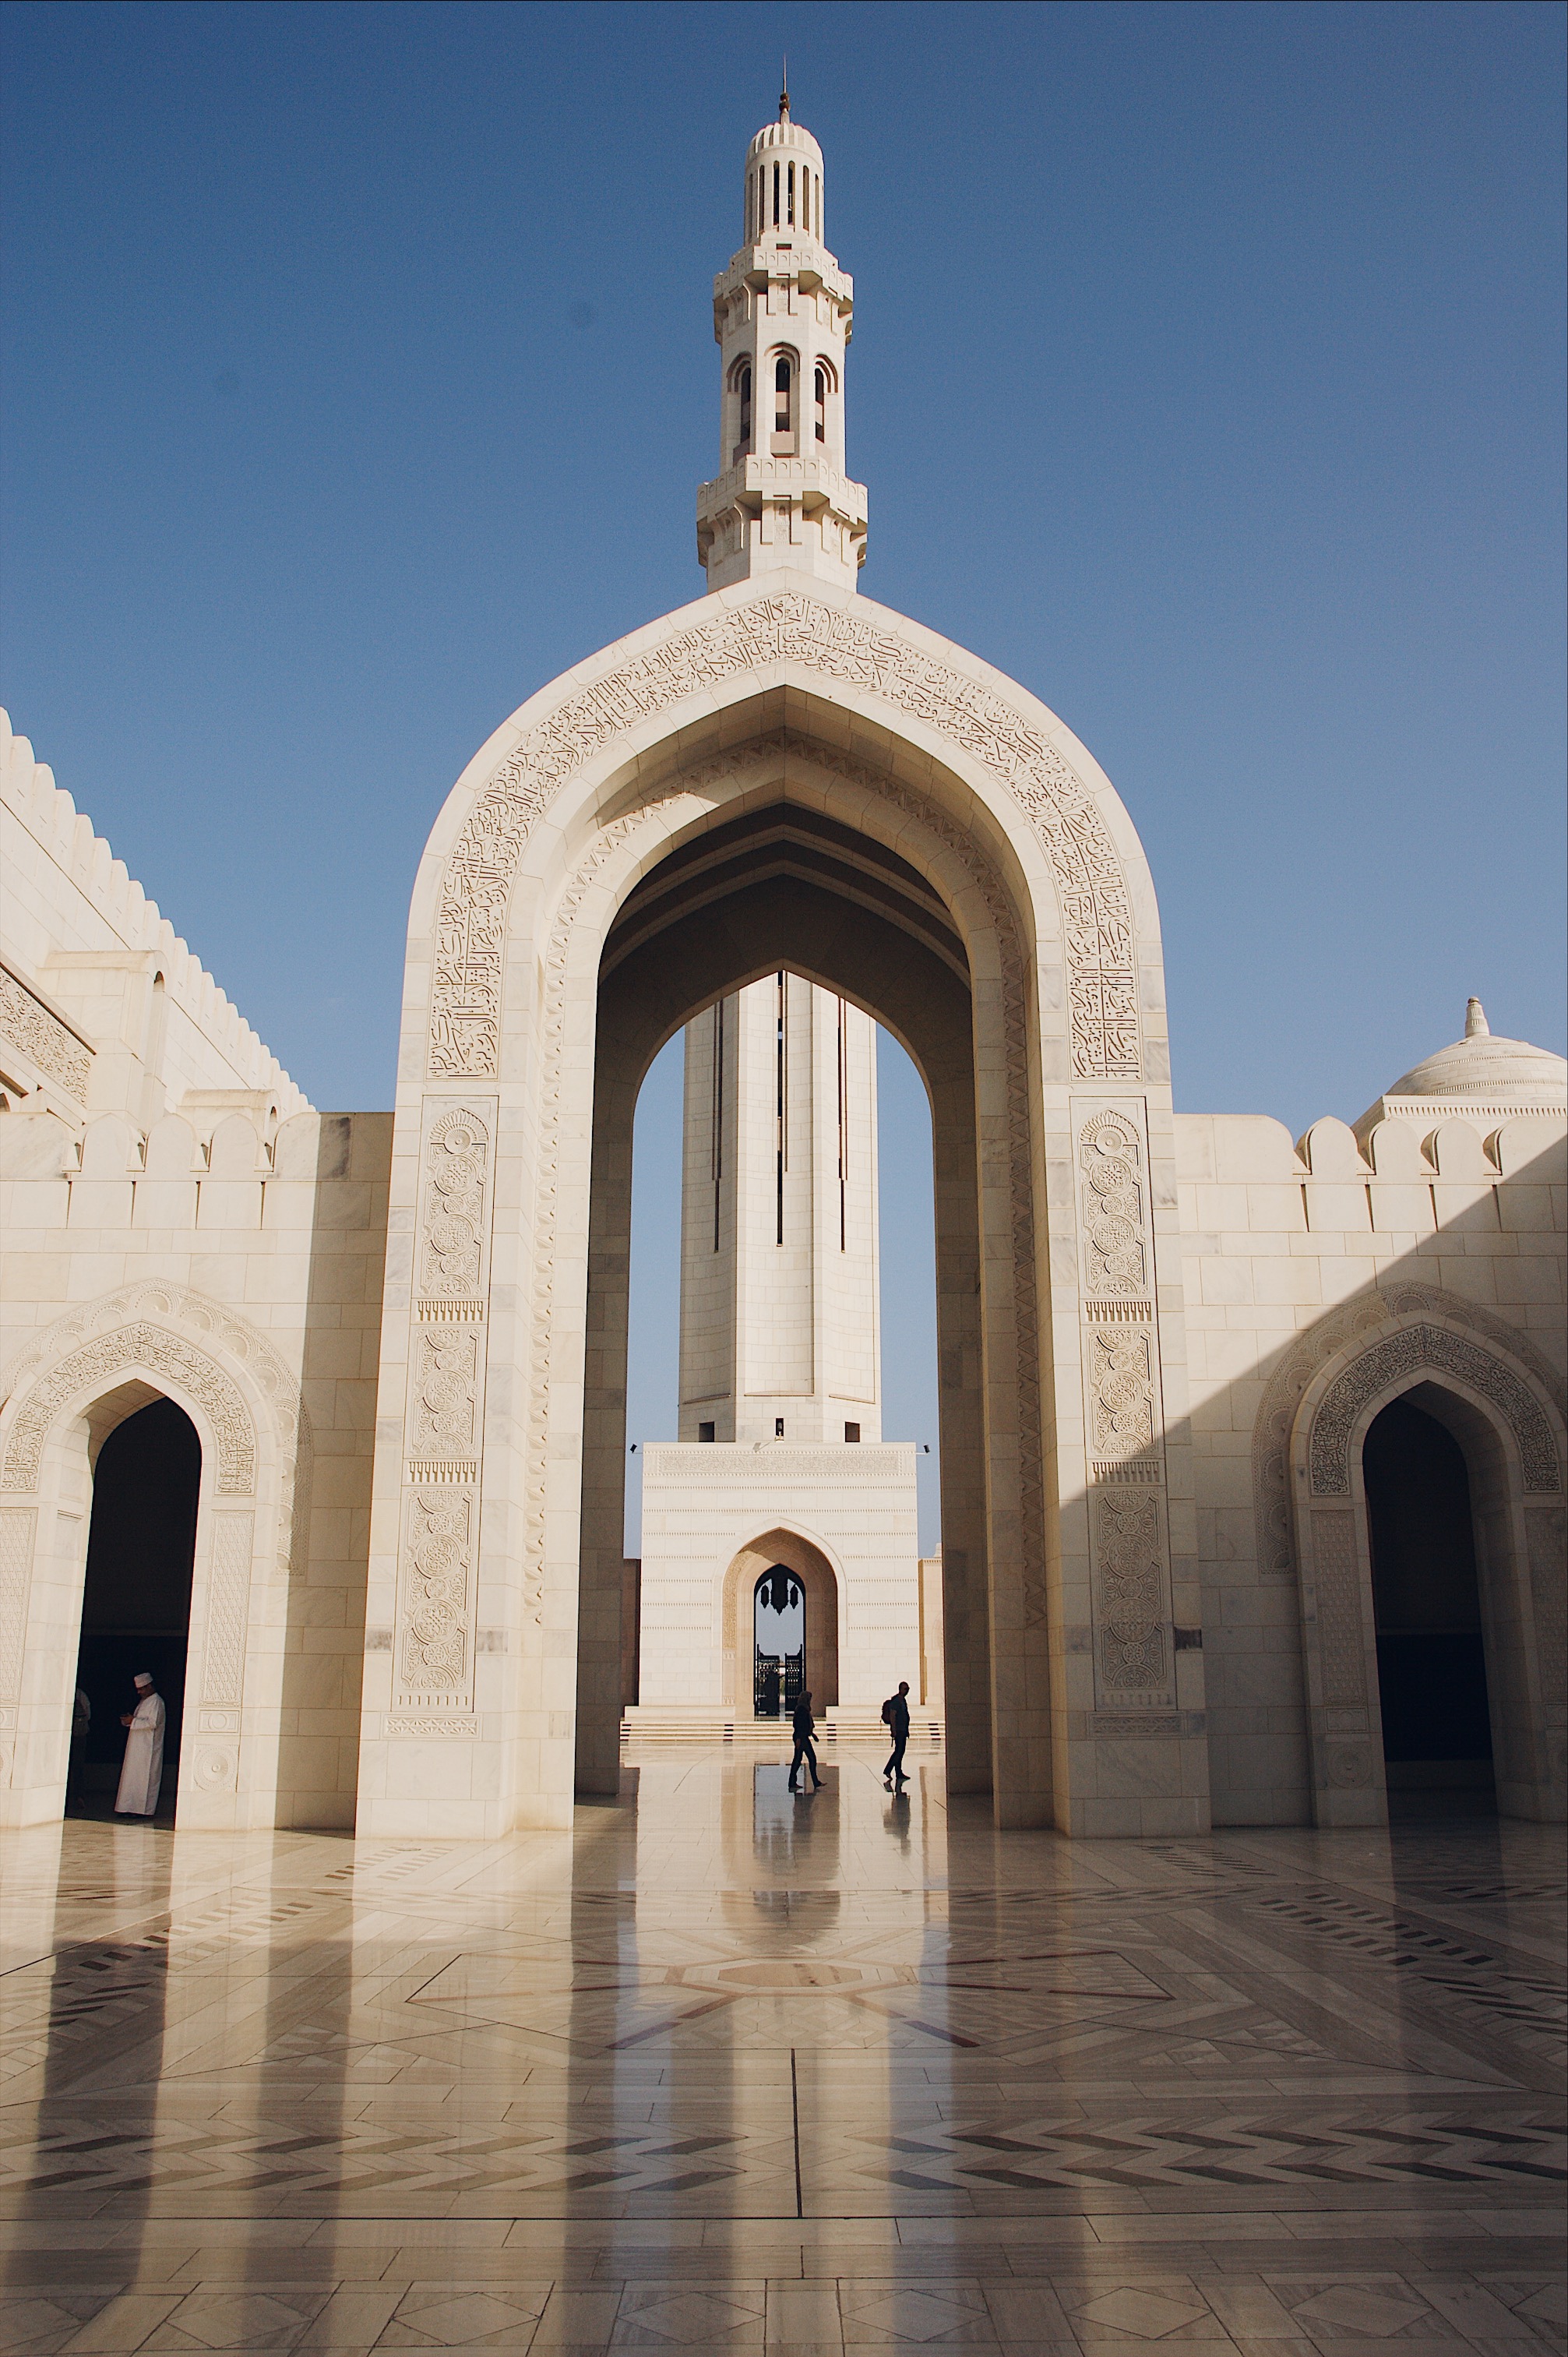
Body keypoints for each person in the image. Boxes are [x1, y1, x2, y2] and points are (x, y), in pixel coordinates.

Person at [115, 1672, 166, 1818]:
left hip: (148, 1748)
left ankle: (143, 1811)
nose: (140, 1692)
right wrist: (129, 1721)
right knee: (132, 1778)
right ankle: (128, 1808)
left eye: (142, 1689)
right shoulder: (145, 1701)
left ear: (149, 1686)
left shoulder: (156, 1701)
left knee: (145, 1779)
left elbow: (153, 1723)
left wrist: (133, 1721)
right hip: (137, 1747)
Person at [788, 1687, 822, 1791]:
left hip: (803, 1737)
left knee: (798, 1760)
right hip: (801, 1738)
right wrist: (798, 1739)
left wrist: (812, 1734)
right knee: (810, 1759)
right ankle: (814, 1782)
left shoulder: (804, 1708)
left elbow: (806, 1725)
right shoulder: (801, 1709)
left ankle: (793, 1782)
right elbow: (798, 1725)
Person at [882, 1680, 911, 1787]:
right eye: (905, 1689)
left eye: (908, 1689)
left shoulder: (902, 1700)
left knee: (900, 1751)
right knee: (899, 1751)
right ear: (900, 1689)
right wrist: (893, 1730)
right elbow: (892, 1716)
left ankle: (899, 1772)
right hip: (898, 1730)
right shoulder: (896, 1701)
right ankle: (888, 1769)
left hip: (902, 1729)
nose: (907, 1691)